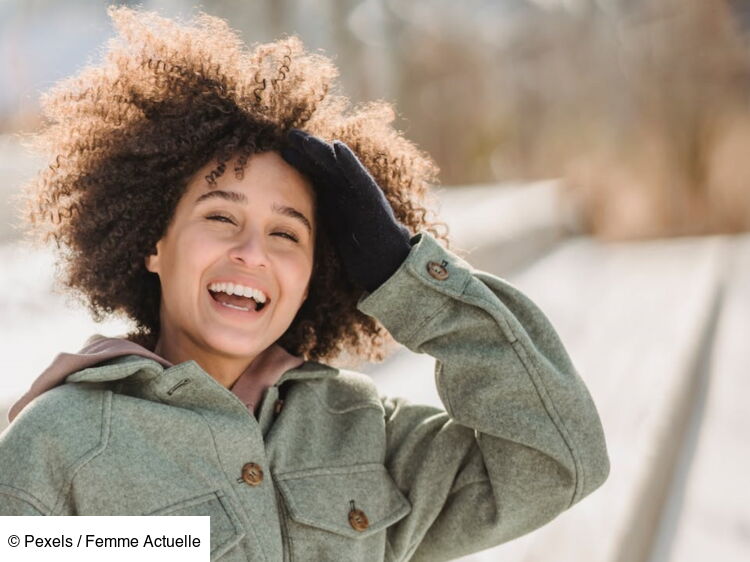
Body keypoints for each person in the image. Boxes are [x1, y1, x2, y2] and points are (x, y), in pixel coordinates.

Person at [0, 6, 610, 561]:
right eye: (220, 217)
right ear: (152, 244)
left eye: (286, 234)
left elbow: (559, 463)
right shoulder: (61, 441)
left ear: (315, 271)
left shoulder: (360, 430)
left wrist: (407, 278)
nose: (251, 253)